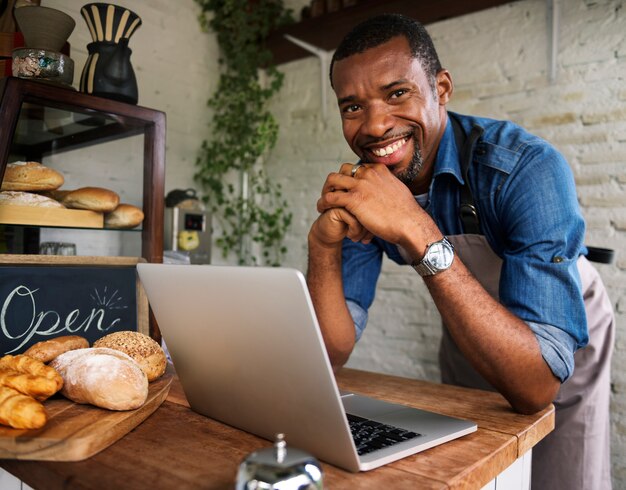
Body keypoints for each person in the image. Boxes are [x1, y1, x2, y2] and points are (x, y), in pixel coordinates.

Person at [306, 13, 614, 490]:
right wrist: (322, 246)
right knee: (475, 471)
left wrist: (415, 227)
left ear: (441, 88)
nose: (376, 125)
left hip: (562, 348)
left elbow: (536, 386)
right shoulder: (368, 187)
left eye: (396, 93)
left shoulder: (524, 169)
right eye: (352, 107)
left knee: (561, 477)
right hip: (469, 338)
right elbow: (331, 349)